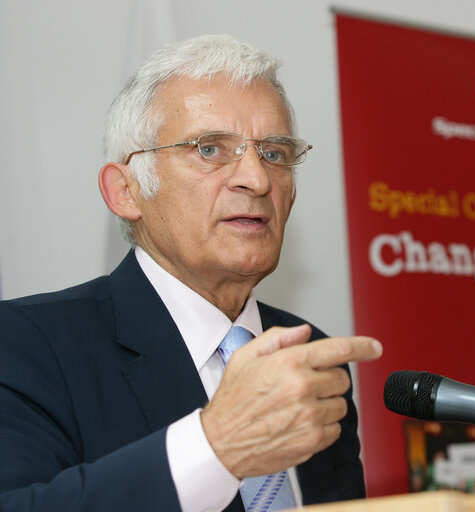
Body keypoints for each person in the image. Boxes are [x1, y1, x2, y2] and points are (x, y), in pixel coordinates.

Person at [0, 34, 382, 512]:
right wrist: (216, 447)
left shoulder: (307, 354)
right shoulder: (26, 345)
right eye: (209, 149)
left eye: (275, 154)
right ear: (126, 191)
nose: (257, 179)